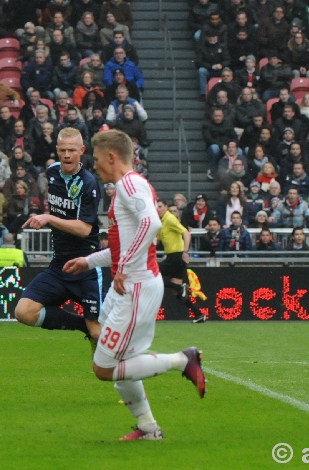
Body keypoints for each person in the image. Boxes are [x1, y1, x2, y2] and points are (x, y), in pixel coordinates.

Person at [62, 128, 205, 441]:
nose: (94, 166)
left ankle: (184, 360)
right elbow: (122, 245)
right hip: (128, 284)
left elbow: (151, 224)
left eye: (97, 160)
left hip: (136, 286)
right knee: (114, 359)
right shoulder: (128, 187)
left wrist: (123, 267)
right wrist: (89, 261)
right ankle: (149, 429)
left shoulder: (129, 183)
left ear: (112, 157)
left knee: (104, 367)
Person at [13, 128, 102, 351]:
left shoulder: (88, 183)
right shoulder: (52, 172)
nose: (67, 155)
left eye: (72, 150)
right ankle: (81, 325)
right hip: (59, 266)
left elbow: (83, 229)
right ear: (57, 150)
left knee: (99, 336)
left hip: (86, 267)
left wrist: (49, 218)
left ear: (81, 151)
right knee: (23, 312)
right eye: (62, 150)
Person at [156, 198, 206, 323]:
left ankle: (181, 287)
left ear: (166, 207)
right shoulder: (162, 221)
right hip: (173, 256)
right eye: (156, 207)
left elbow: (186, 233)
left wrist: (185, 252)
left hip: (176, 256)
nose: (158, 209)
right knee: (177, 293)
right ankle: (199, 314)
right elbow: (158, 240)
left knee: (152, 274)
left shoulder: (169, 219)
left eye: (160, 206)